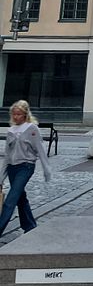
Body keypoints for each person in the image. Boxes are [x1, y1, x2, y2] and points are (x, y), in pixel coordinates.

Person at [0, 100, 51, 237]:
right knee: (20, 198)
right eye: (14, 114)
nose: (16, 117)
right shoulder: (11, 130)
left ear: (25, 114)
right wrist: (1, 177)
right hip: (12, 168)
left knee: (10, 200)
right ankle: (30, 225)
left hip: (26, 166)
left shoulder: (31, 129)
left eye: (19, 114)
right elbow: (7, 155)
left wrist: (46, 169)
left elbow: (40, 149)